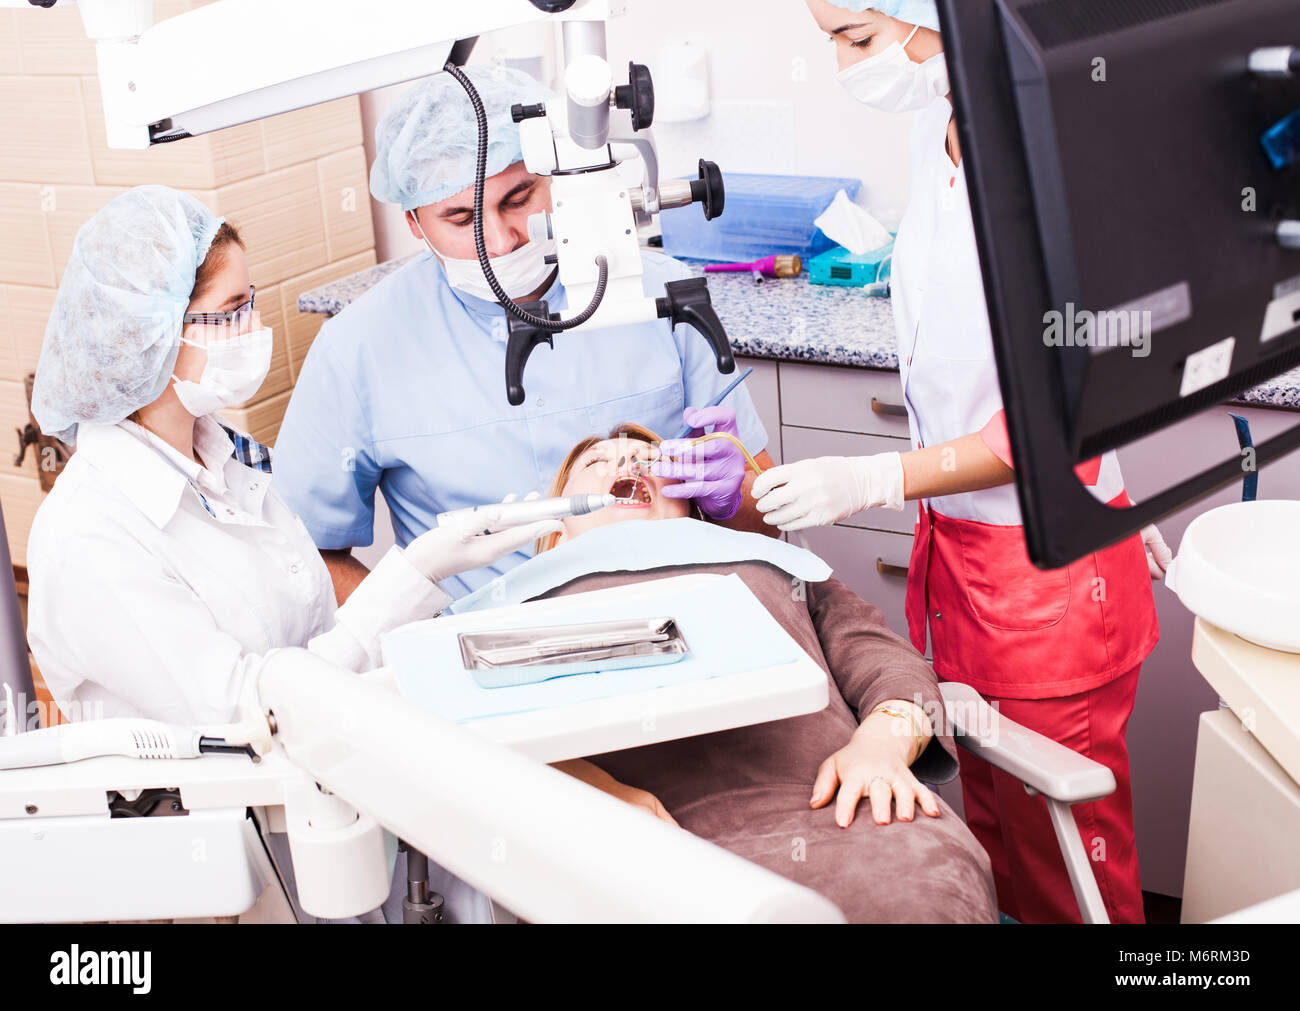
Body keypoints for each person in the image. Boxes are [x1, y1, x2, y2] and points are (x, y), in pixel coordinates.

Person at [746, 1, 1170, 923]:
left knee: (1070, 865)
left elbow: (1054, 412)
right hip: (965, 562)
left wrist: (875, 478)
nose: (846, 66)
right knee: (995, 835)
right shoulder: (938, 128)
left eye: (856, 39)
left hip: (1049, 580)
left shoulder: (1065, 154)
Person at [25, 186, 557, 726]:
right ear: (149, 335)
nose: (255, 330)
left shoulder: (228, 466)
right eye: (232, 312)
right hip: (236, 796)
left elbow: (320, 644)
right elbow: (254, 713)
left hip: (329, 755)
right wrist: (412, 573)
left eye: (249, 302)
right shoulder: (89, 537)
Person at [451, 422, 999, 923]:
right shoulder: (519, 606)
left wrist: (882, 744)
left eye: (650, 460)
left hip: (839, 804)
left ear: (691, 503)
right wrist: (594, 798)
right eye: (598, 464)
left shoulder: (774, 567)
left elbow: (883, 661)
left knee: (920, 889)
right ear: (557, 529)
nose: (627, 467)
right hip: (633, 840)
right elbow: (470, 734)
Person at [273, 65, 775, 606]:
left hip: (674, 620)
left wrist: (733, 501)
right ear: (414, 222)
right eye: (461, 217)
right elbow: (308, 557)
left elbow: (767, 521)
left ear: (559, 174)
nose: (502, 241)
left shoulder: (660, 294)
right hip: (478, 651)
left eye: (517, 199)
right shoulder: (359, 349)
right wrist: (428, 637)